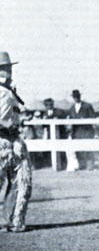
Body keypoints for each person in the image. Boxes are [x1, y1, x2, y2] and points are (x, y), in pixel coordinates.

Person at [0, 51, 32, 232]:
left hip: (14, 142)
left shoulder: (10, 91)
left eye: (8, 68)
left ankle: (13, 220)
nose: (8, 71)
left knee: (21, 182)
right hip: (2, 140)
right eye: (4, 68)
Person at [67, 89, 96, 170]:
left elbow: (93, 117)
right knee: (78, 149)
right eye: (74, 97)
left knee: (88, 148)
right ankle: (81, 165)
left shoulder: (87, 106)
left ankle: (90, 165)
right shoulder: (72, 108)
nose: (76, 98)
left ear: (80, 96)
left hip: (86, 131)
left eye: (77, 96)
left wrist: (85, 119)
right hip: (76, 132)